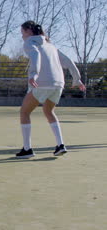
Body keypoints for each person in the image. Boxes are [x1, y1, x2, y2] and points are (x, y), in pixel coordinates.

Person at [16, 21, 86, 158]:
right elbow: (69, 61)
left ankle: (27, 149)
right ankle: (60, 145)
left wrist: (34, 74)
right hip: (58, 83)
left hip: (42, 83)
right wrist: (77, 79)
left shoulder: (30, 42)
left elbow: (35, 55)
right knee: (49, 111)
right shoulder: (51, 46)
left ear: (29, 31)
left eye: (23, 32)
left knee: (24, 112)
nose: (22, 36)